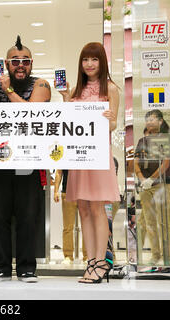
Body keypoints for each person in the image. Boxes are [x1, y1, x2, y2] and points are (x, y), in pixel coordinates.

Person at [0, 36, 51, 283]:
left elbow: (31, 113)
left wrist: (8, 89)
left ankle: (26, 268)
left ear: (31, 63)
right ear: (6, 63)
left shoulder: (41, 84)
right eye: (14, 61)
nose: (20, 65)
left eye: (25, 61)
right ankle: (0, 267)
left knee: (27, 216)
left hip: (28, 162)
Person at [56, 42, 120, 284]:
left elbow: (112, 126)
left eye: (94, 59)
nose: (90, 64)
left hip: (99, 155)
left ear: (102, 62)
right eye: (85, 60)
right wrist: (65, 99)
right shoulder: (75, 91)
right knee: (83, 207)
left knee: (97, 208)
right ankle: (91, 261)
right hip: (80, 155)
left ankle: (101, 261)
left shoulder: (112, 89)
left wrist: (112, 119)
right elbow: (69, 121)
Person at [134, 109, 170, 265]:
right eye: (147, 120)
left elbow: (166, 163)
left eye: (152, 119)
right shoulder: (141, 141)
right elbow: (136, 163)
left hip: (161, 185)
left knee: (164, 221)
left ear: (160, 121)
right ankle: (155, 254)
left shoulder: (167, 140)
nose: (149, 122)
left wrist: (151, 179)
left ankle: (169, 256)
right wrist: (142, 179)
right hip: (145, 187)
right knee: (149, 222)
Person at [53, 169, 88, 265]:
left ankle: (87, 255)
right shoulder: (65, 154)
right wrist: (56, 191)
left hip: (84, 193)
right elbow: (59, 172)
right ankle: (68, 256)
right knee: (68, 227)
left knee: (86, 227)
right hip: (67, 191)